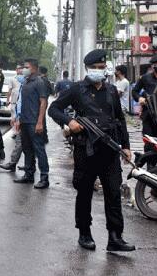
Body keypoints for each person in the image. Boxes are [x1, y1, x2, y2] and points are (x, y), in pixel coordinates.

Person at [48, 49, 135, 252]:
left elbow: (120, 120)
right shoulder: (77, 89)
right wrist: (69, 121)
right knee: (85, 192)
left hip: (110, 150)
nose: (98, 71)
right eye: (95, 68)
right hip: (86, 150)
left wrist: (126, 146)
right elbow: (54, 109)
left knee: (113, 193)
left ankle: (115, 237)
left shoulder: (112, 91)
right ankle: (84, 233)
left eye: (101, 68)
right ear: (88, 69)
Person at [13, 59, 50, 188]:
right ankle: (29, 175)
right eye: (23, 67)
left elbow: (43, 102)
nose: (23, 69)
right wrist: (19, 119)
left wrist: (40, 122)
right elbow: (21, 102)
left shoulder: (39, 82)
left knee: (39, 150)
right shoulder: (27, 82)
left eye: (26, 67)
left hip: (34, 122)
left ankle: (44, 178)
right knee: (27, 149)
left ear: (34, 68)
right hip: (25, 121)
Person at [0, 63, 25, 171]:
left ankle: (15, 164)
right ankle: (25, 166)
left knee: (23, 142)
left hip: (27, 119)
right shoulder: (20, 82)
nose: (22, 71)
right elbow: (20, 101)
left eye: (25, 68)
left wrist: (20, 118)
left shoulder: (31, 84)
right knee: (24, 143)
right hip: (18, 111)